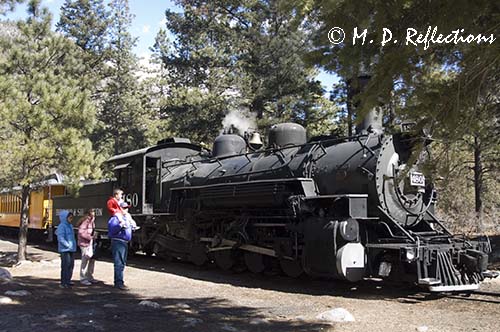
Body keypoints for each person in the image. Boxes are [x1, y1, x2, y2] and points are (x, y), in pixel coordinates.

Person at [108, 202, 132, 290]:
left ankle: (120, 281)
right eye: (124, 208)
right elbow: (111, 231)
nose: (126, 210)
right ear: (120, 208)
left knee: (122, 263)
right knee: (119, 263)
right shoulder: (116, 218)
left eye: (127, 208)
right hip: (118, 242)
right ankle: (118, 282)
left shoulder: (126, 218)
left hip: (124, 242)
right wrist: (120, 225)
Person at [55, 211, 76, 289]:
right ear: (65, 218)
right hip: (65, 249)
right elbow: (60, 238)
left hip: (71, 249)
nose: (71, 219)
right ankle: (63, 282)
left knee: (71, 265)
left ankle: (68, 280)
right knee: (65, 266)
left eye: (71, 217)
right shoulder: (62, 226)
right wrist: (67, 245)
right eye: (70, 217)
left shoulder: (70, 225)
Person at [77, 209, 97, 286]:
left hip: (90, 242)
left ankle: (89, 276)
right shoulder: (85, 222)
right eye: (92, 213)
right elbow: (81, 232)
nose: (93, 215)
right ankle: (83, 278)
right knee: (85, 259)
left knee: (92, 259)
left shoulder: (92, 222)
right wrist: (90, 237)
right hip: (84, 243)